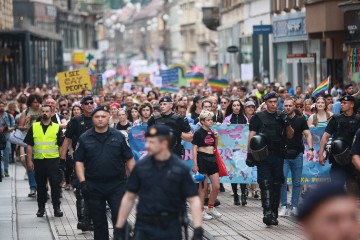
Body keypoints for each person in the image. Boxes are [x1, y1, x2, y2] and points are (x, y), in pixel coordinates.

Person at [113, 125, 203, 240]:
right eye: (147, 141)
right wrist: (119, 228)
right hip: (144, 226)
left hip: (171, 227)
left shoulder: (180, 168)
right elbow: (129, 198)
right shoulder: (141, 167)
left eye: (151, 142)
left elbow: (193, 199)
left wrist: (198, 229)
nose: (147, 145)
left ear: (164, 144)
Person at [75, 105, 135, 240]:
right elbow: (79, 161)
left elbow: (129, 159)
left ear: (109, 118)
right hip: (94, 185)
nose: (100, 119)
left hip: (117, 185)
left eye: (103, 116)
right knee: (99, 221)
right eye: (97, 117)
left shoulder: (119, 137)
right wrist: (82, 182)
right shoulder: (84, 138)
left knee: (119, 218)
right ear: (93, 119)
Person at [247, 91, 294, 226]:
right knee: (265, 183)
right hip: (263, 155)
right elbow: (251, 136)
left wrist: (286, 123)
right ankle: (267, 212)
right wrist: (249, 154)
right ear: (266, 103)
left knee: (277, 184)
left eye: (275, 102)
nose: (273, 104)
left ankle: (274, 212)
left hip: (278, 155)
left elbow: (290, 135)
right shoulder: (258, 117)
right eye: (270, 102)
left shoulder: (282, 116)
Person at [60, 95, 95, 231]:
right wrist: (62, 159)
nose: (90, 105)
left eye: (92, 103)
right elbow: (67, 140)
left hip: (95, 161)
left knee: (93, 191)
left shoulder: (97, 118)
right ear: (82, 106)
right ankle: (82, 220)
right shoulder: (75, 121)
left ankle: (90, 219)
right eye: (87, 103)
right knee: (80, 191)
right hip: (80, 160)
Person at [23, 105, 64, 218]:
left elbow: (61, 145)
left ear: (52, 113)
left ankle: (57, 208)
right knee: (41, 186)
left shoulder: (56, 127)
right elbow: (30, 145)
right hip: (39, 160)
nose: (45, 113)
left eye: (47, 111)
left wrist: (62, 160)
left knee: (55, 185)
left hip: (53, 160)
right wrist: (30, 161)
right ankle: (41, 208)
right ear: (40, 113)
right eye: (43, 111)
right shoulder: (34, 126)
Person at [279, 98, 314, 217]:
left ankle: (294, 206)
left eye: (290, 105)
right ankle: (283, 206)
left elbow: (308, 134)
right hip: (283, 155)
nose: (288, 107)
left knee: (297, 182)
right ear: (283, 106)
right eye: (286, 105)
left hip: (297, 154)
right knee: (282, 181)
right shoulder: (280, 118)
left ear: (294, 106)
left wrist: (310, 149)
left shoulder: (300, 119)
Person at [318, 95, 360, 188]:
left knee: (353, 188)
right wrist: (321, 154)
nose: (342, 104)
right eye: (341, 103)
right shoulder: (336, 119)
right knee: (336, 187)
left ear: (352, 105)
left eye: (345, 103)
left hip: (352, 159)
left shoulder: (358, 120)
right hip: (337, 159)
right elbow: (325, 136)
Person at [192, 110, 222, 220]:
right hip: (202, 159)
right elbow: (194, 148)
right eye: (208, 120)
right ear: (202, 121)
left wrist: (216, 137)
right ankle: (201, 211)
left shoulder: (212, 132)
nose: (211, 122)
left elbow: (215, 147)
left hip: (212, 159)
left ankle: (211, 206)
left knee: (216, 186)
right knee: (203, 188)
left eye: (211, 120)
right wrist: (195, 164)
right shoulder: (198, 133)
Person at [222, 99, 249, 205]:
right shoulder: (227, 119)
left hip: (242, 150)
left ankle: (243, 195)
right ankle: (235, 195)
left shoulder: (245, 119)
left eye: (238, 105)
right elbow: (222, 133)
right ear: (231, 107)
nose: (236, 107)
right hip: (231, 150)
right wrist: (225, 127)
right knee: (233, 172)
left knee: (242, 171)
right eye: (234, 105)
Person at [18, 94, 42, 197]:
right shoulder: (26, 112)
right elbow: (20, 126)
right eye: (35, 102)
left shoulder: (42, 111)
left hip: (41, 141)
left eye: (38, 102)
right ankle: (33, 187)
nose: (37, 104)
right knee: (30, 164)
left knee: (41, 166)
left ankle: (42, 187)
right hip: (30, 142)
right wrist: (26, 127)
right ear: (30, 103)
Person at [0, 100, 15, 177]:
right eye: (0, 106)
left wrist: (8, 129)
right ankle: (1, 171)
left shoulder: (9, 116)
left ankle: (6, 169)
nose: (1, 108)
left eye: (2, 106)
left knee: (6, 155)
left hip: (6, 139)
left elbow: (14, 126)